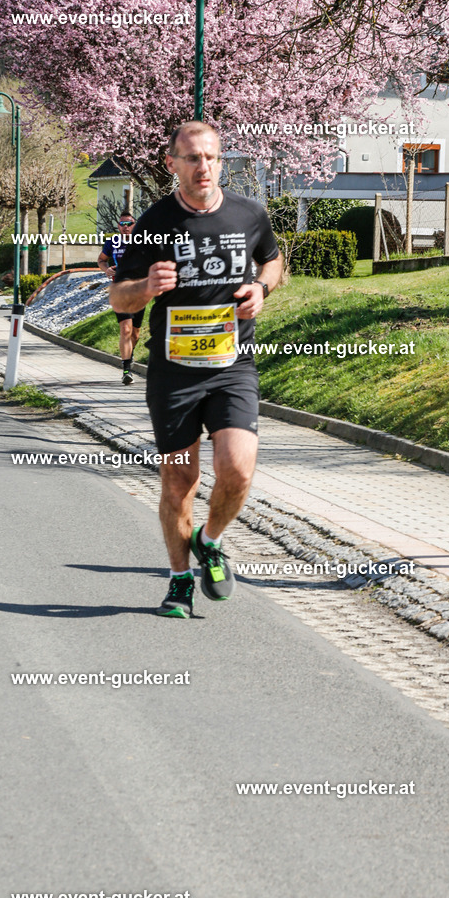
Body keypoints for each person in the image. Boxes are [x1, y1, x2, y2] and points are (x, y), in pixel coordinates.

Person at [109, 121, 283, 617]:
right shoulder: (155, 221)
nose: (202, 167)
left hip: (232, 365)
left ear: (221, 161)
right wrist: (144, 288)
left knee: (237, 469)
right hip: (174, 372)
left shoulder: (249, 213)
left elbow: (273, 261)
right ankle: (179, 580)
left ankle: (210, 540)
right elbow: (116, 295)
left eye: (210, 157)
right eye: (191, 158)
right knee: (179, 482)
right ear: (172, 164)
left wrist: (261, 290)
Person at [98, 214, 144, 385]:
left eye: (129, 224)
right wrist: (107, 270)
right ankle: (126, 370)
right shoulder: (112, 242)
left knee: (135, 333)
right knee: (125, 329)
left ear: (134, 225)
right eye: (122, 224)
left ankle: (129, 356)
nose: (126, 227)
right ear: (118, 226)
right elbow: (101, 260)